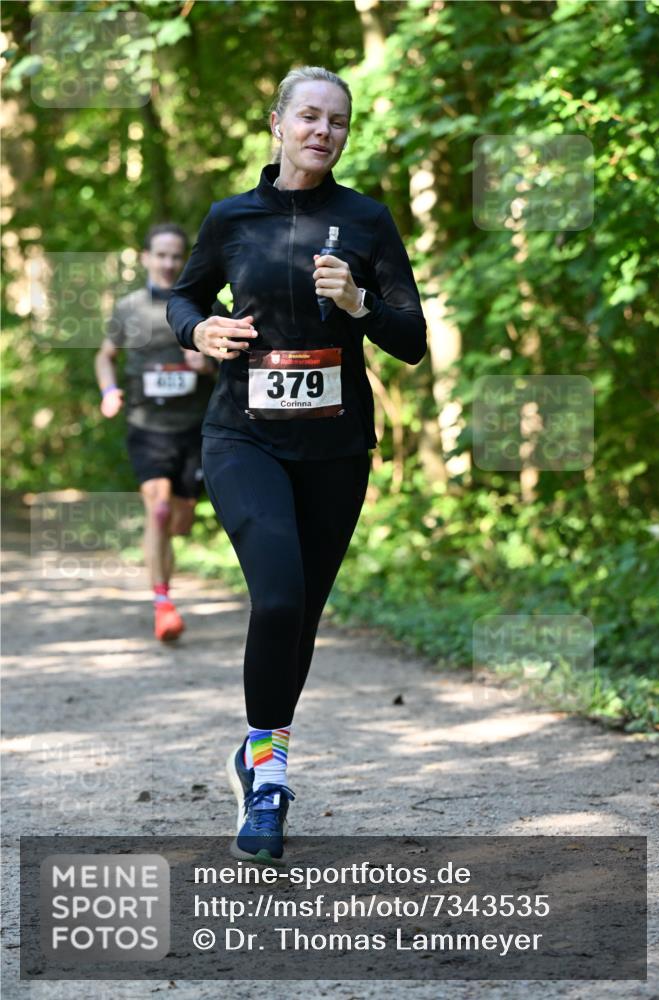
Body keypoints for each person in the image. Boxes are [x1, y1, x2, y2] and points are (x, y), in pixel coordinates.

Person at [167, 66, 427, 862]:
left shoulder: (366, 220)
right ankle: (270, 772)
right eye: (309, 117)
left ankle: (260, 759)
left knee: (302, 614)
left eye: (337, 122)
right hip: (241, 437)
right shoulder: (230, 217)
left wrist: (359, 306)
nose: (323, 131)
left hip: (336, 447)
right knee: (276, 598)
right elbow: (184, 297)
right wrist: (198, 333)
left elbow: (410, 340)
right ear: (277, 121)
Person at [95, 223, 218, 642]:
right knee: (159, 508)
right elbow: (105, 357)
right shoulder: (129, 308)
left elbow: (235, 358)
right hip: (146, 426)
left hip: (195, 428)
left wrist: (209, 363)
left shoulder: (203, 303)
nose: (168, 263)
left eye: (175, 256)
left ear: (184, 261)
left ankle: (165, 588)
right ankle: (163, 603)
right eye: (160, 255)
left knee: (180, 520)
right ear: (146, 257)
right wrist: (110, 391)